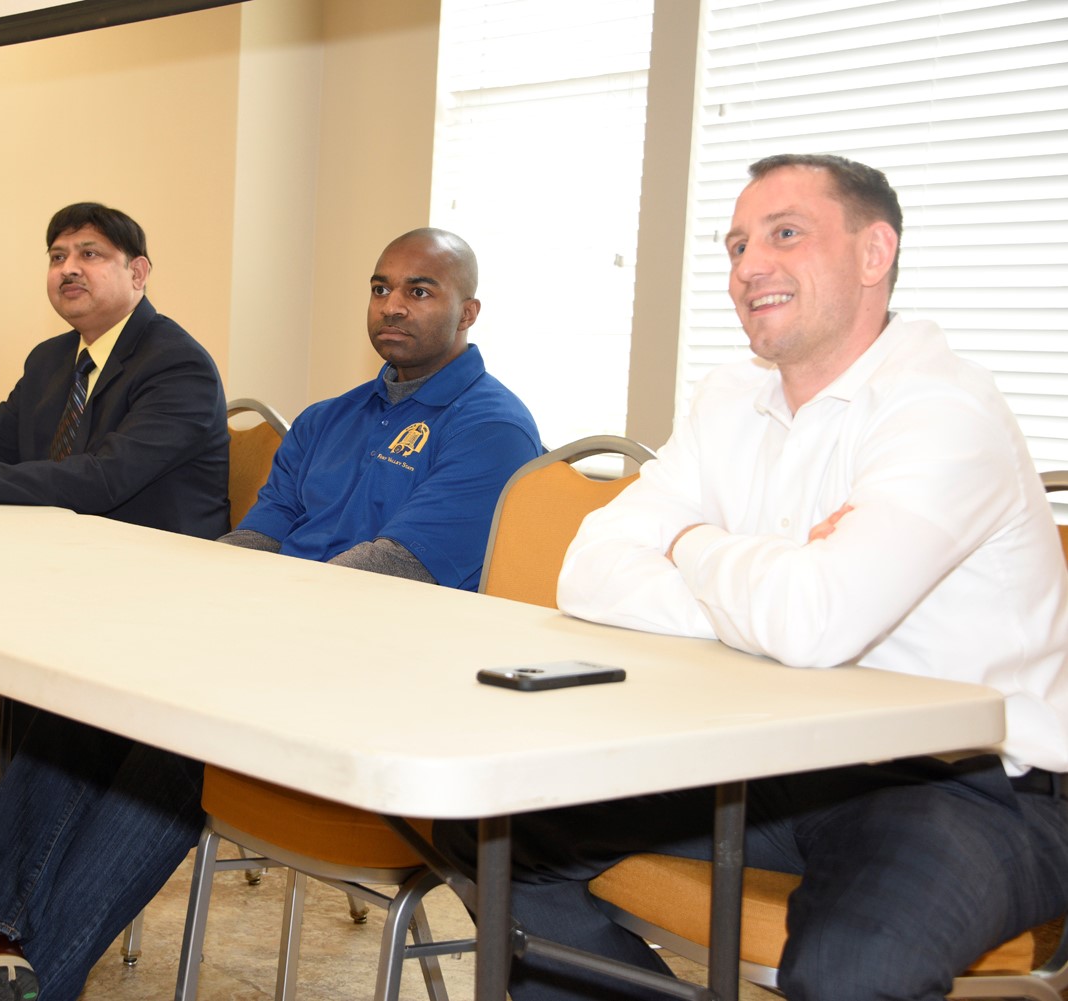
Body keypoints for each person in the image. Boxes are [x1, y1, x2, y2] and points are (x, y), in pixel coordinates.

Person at [0, 227, 542, 1001]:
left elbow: (390, 572)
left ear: (470, 310)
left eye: (420, 291)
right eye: (382, 287)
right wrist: (200, 608)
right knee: (100, 686)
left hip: (374, 685)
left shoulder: (490, 427)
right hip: (276, 645)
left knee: (181, 734)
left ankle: (32, 975)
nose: (392, 306)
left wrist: (232, 620)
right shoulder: (329, 418)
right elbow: (255, 535)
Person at [434, 154, 1068, 1001]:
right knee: (485, 828)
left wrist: (690, 545)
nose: (749, 266)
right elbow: (589, 571)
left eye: (785, 235)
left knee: (850, 972)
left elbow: (813, 622)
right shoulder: (730, 397)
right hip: (769, 752)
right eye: (737, 245)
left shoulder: (943, 410)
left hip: (966, 784)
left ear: (874, 254)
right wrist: (762, 580)